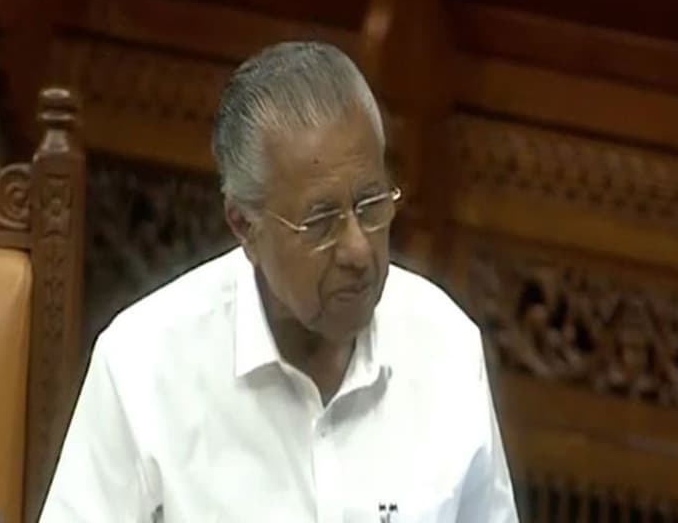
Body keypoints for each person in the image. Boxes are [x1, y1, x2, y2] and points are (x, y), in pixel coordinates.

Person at [40, 42, 520, 521]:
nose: (358, 251)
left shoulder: (447, 349)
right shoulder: (144, 366)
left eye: (371, 206)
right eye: (321, 222)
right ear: (245, 227)